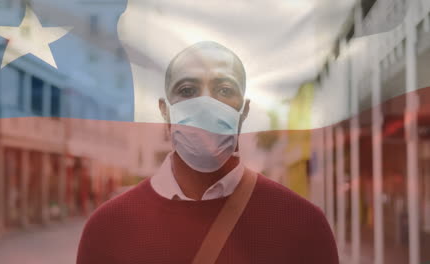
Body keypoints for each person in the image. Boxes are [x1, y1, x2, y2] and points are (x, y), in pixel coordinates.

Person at [77, 41, 339, 264]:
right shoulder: (108, 229)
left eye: (224, 90)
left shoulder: (303, 225)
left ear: (244, 111)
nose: (205, 106)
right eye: (187, 91)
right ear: (164, 110)